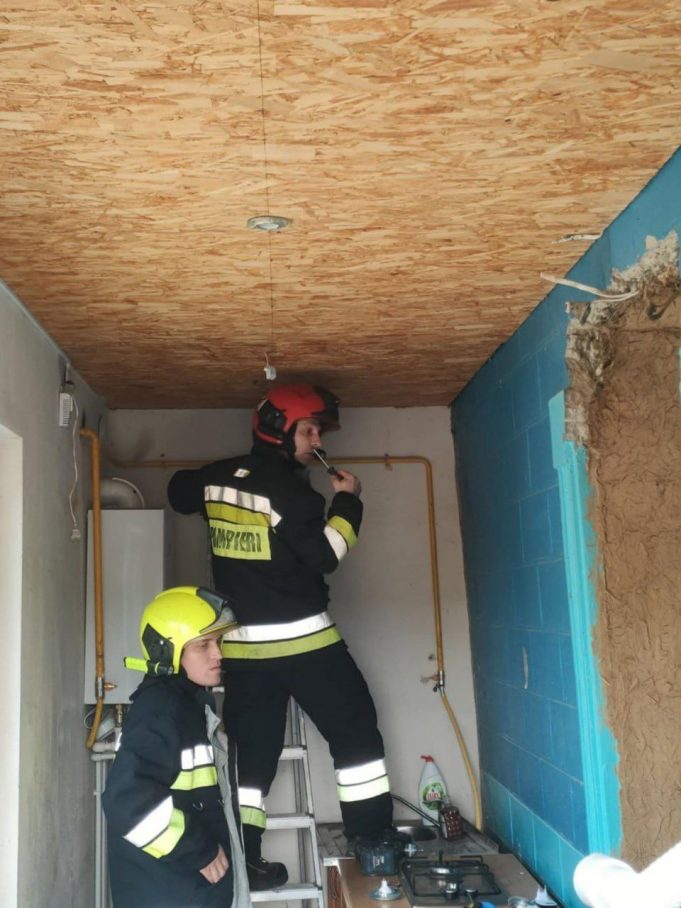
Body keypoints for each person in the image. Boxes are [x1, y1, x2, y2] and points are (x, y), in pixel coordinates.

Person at [167, 383, 395, 890]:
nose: (317, 440)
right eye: (309, 430)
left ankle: (244, 858)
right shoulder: (293, 494)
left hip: (243, 652)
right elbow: (326, 555)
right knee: (357, 737)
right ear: (278, 430)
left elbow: (177, 491)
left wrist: (210, 482)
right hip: (307, 645)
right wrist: (348, 502)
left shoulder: (216, 480)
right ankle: (373, 841)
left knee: (250, 759)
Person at [102, 586, 250, 908]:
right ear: (167, 651)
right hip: (172, 893)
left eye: (218, 642)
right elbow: (126, 801)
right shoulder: (161, 711)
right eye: (203, 645)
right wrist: (198, 849)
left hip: (186, 890)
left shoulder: (188, 704)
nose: (218, 654)